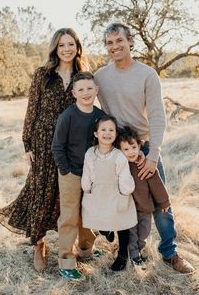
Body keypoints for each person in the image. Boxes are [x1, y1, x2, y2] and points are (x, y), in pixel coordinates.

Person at [94, 22, 195, 274]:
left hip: (144, 147)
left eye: (119, 41)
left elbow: (158, 117)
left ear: (131, 42)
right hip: (116, 151)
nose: (115, 46)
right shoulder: (100, 77)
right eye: (109, 43)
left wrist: (152, 155)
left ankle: (170, 252)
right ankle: (129, 251)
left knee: (160, 203)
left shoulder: (147, 74)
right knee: (122, 202)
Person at [0, 28, 86, 272]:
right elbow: (31, 110)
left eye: (70, 44)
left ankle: (73, 242)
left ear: (77, 47)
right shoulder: (43, 74)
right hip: (44, 140)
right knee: (40, 190)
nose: (66, 49)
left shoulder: (83, 76)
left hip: (72, 143)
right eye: (61, 45)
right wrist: (27, 144)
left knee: (67, 193)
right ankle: (39, 242)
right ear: (55, 49)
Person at [51, 72, 106, 280]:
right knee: (69, 217)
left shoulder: (99, 116)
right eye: (81, 89)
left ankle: (86, 250)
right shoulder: (68, 116)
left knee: (88, 214)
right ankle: (66, 260)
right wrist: (66, 170)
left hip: (92, 174)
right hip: (71, 174)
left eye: (89, 89)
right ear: (74, 93)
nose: (86, 93)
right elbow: (57, 146)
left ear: (96, 90)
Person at [81, 116, 137, 272]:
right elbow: (87, 173)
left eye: (111, 130)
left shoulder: (119, 155)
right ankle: (106, 231)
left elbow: (124, 176)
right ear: (96, 133)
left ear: (116, 133)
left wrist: (125, 192)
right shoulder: (90, 153)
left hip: (116, 192)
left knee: (122, 223)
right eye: (103, 130)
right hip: (97, 193)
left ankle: (122, 256)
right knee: (98, 218)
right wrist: (86, 188)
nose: (107, 133)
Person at [118, 126, 170, 267]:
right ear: (120, 151)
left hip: (145, 207)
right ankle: (134, 257)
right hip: (129, 209)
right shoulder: (121, 165)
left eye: (133, 147)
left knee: (144, 233)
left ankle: (138, 250)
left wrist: (164, 202)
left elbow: (156, 184)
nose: (131, 152)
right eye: (126, 149)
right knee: (132, 235)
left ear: (139, 145)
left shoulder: (143, 163)